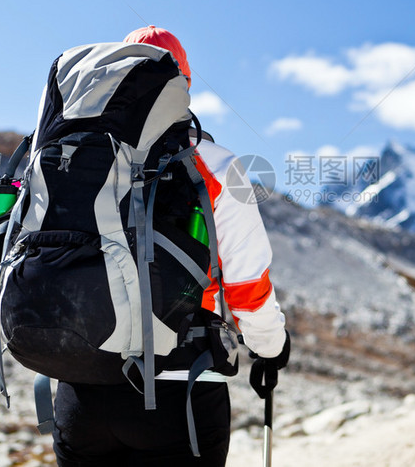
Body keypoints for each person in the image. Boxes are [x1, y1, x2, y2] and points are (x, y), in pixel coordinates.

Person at [51, 26, 291, 466]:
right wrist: (272, 348)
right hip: (181, 391)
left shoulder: (70, 155)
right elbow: (247, 287)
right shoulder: (213, 164)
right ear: (183, 85)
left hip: (81, 390)